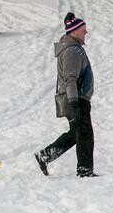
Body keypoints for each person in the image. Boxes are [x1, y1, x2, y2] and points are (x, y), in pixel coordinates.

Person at [35, 12, 97, 177]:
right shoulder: (72, 51)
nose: (86, 33)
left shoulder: (74, 49)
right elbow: (70, 79)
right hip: (75, 99)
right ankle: (84, 170)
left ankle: (45, 155)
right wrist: (74, 102)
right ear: (74, 31)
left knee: (76, 133)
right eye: (83, 30)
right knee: (84, 135)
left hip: (76, 98)